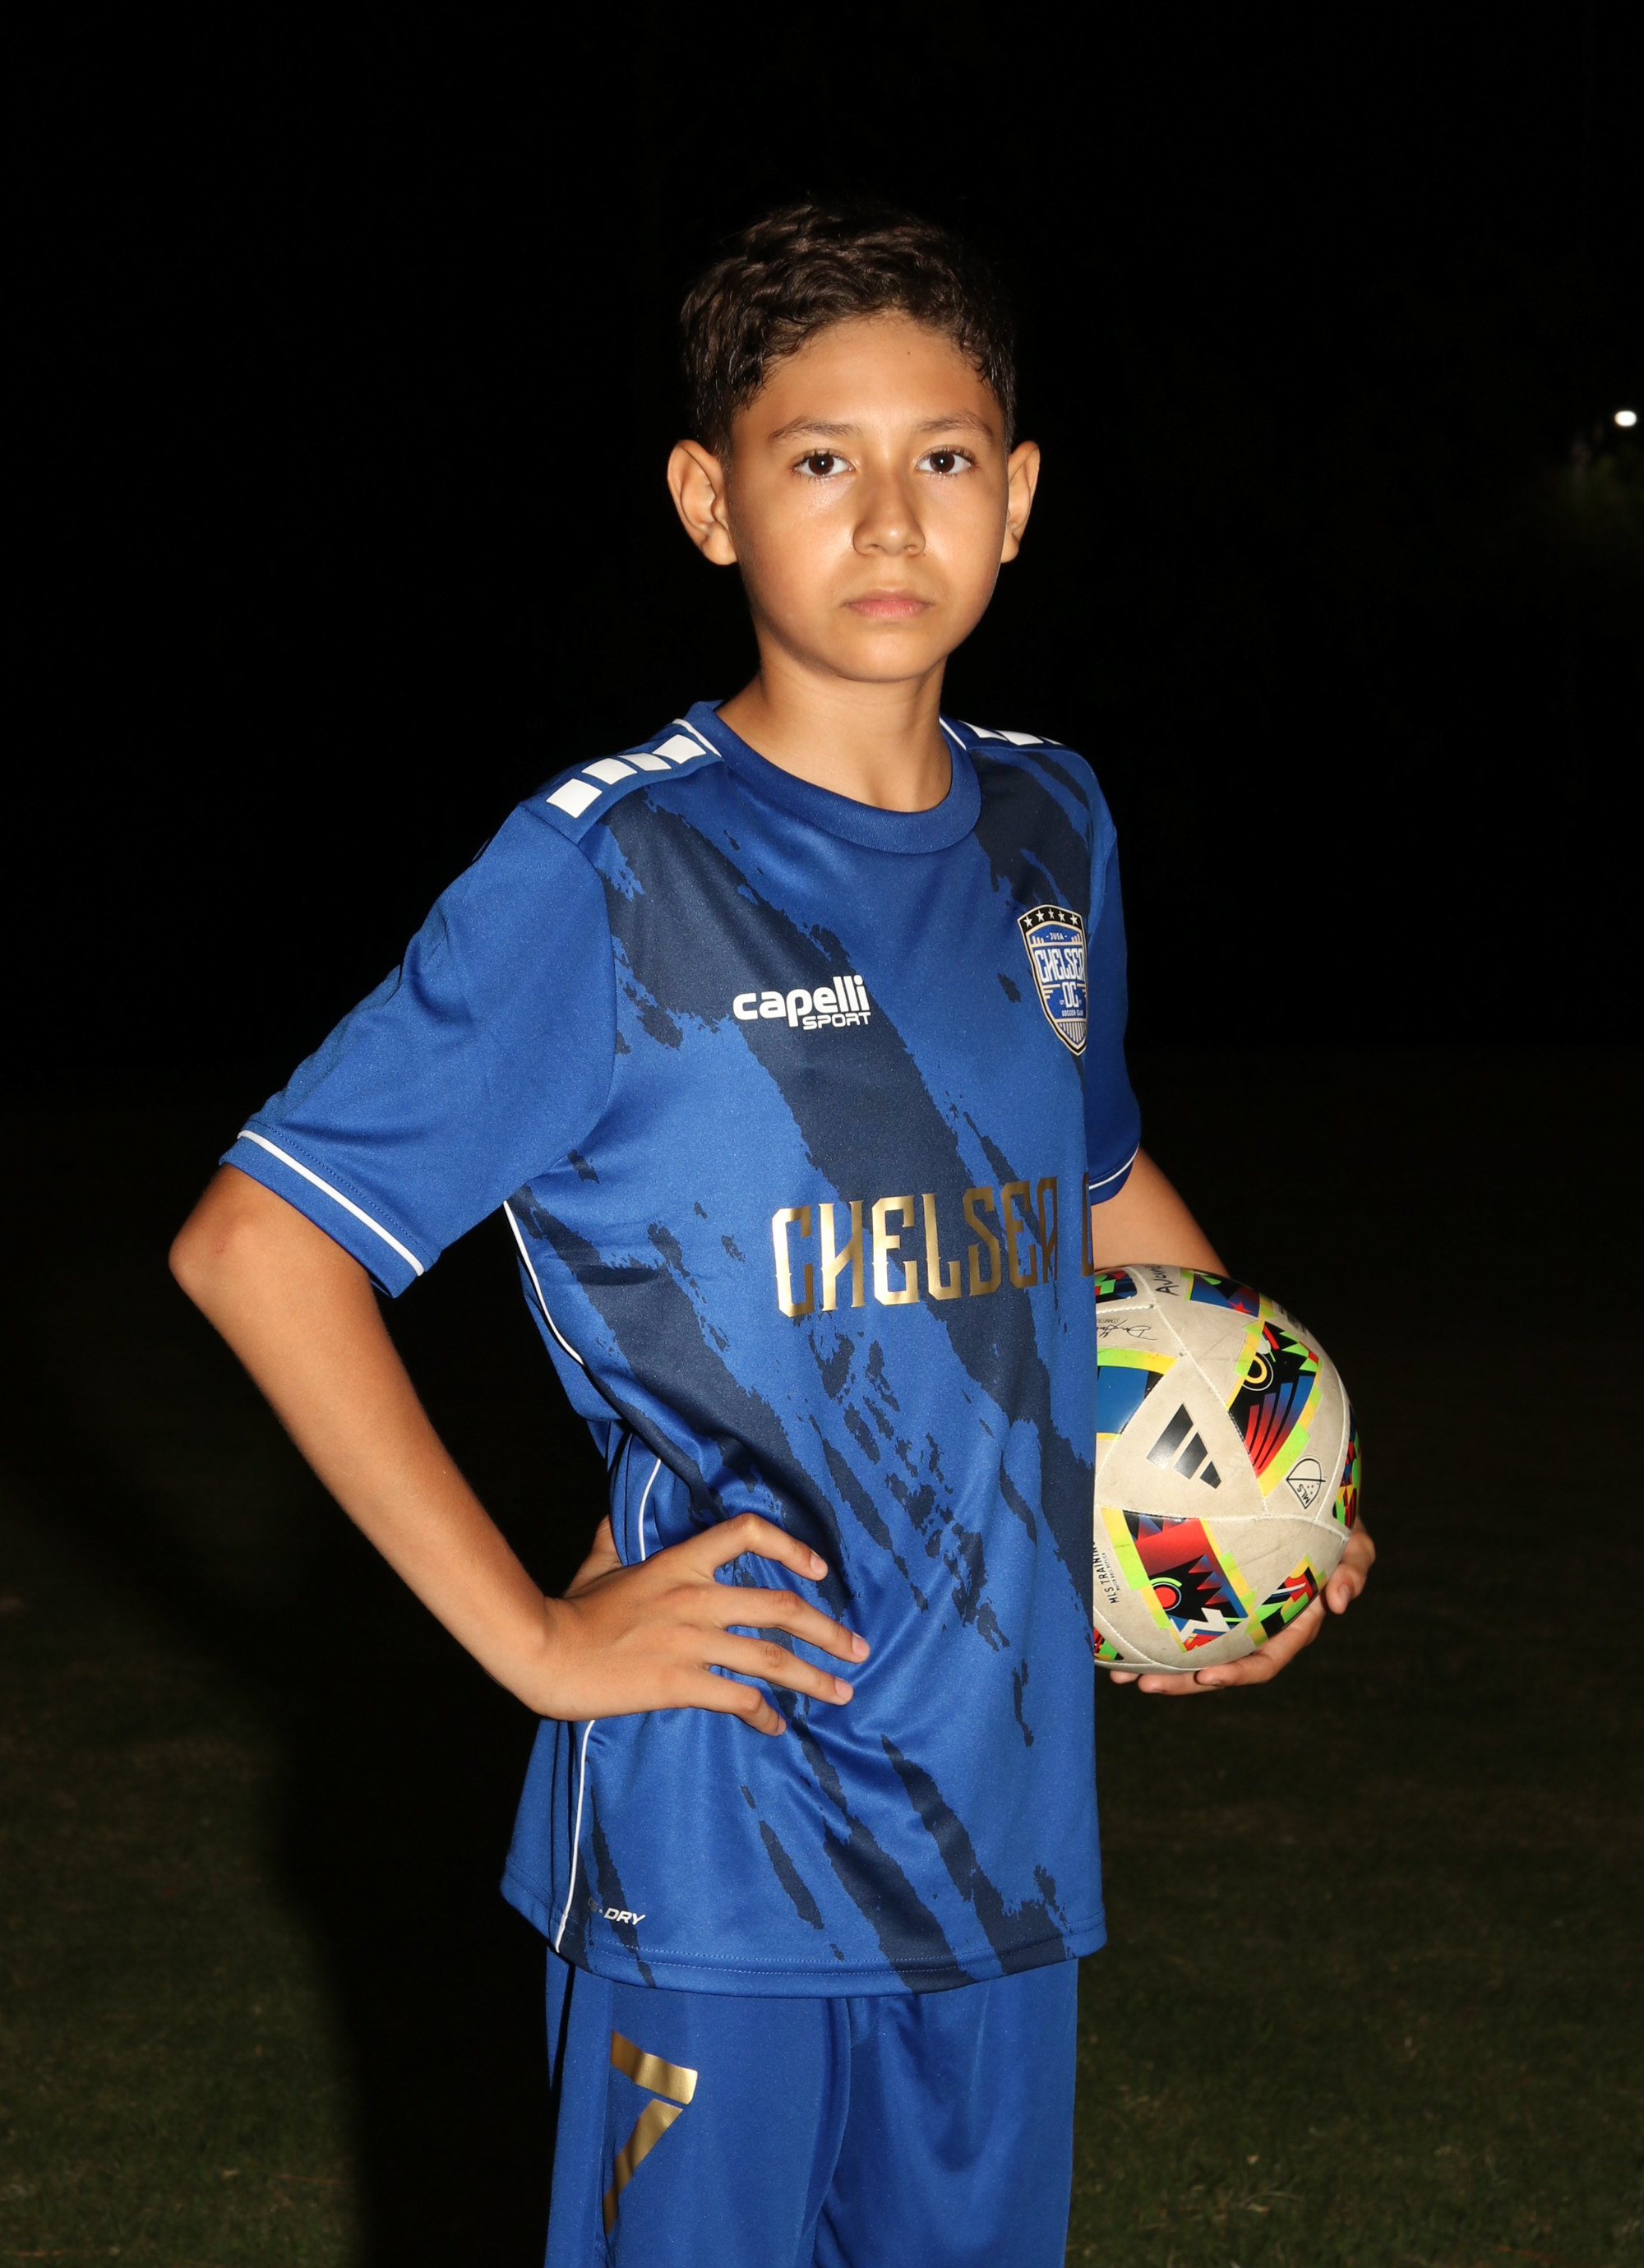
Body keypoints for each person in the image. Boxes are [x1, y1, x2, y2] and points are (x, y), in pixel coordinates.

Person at [171, 201, 1374, 2267]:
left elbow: (1095, 1195)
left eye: (942, 456)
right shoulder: (616, 870)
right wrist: (539, 1639)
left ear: (1018, 496)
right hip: (722, 1835)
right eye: (820, 459)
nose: (890, 517)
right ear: (708, 501)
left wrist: (1261, 1483)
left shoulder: (1048, 826)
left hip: (1003, 1834)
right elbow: (257, 1247)